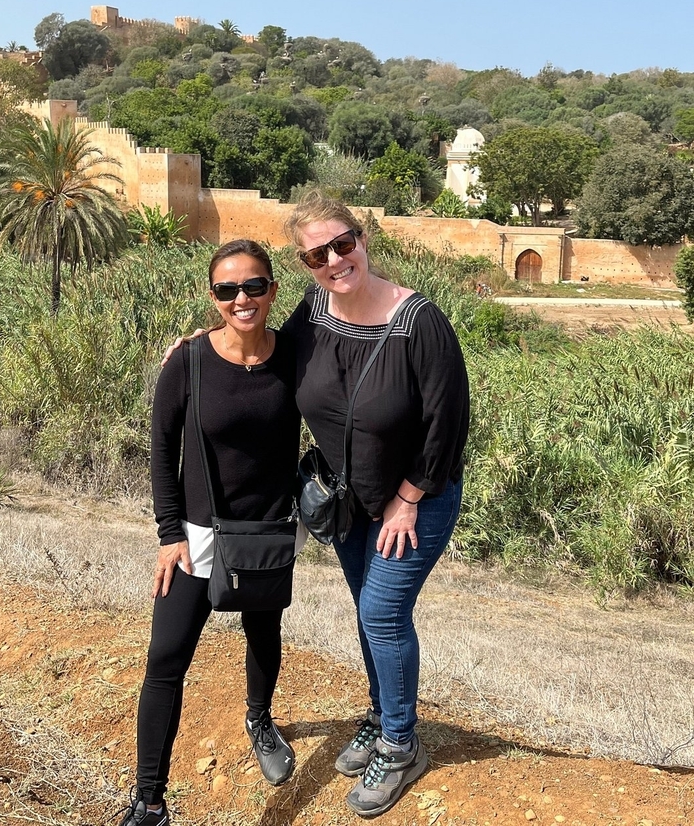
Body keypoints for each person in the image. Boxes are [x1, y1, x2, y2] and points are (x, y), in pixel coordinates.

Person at [164, 193, 470, 818]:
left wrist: (409, 498)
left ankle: (401, 743)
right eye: (317, 254)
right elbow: (259, 341)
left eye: (342, 244)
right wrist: (202, 341)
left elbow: (449, 423)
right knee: (367, 612)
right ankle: (383, 713)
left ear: (363, 239)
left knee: (383, 614)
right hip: (348, 500)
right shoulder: (314, 310)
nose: (334, 260)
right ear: (303, 265)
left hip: (415, 499)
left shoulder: (418, 321)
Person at [118, 240, 301, 826]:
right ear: (213, 297)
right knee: (166, 659)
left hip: (266, 531)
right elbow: (162, 448)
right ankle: (149, 799)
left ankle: (260, 719)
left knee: (262, 636)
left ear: (273, 289)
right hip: (196, 535)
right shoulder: (190, 361)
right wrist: (169, 533)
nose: (242, 299)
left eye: (253, 286)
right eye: (227, 290)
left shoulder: (296, 357)